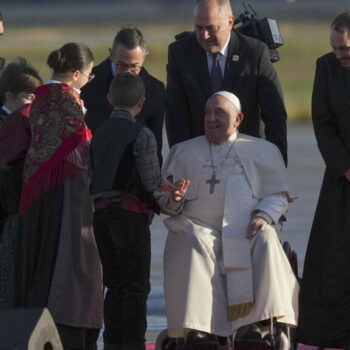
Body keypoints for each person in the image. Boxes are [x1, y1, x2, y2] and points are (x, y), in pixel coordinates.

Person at [157, 91, 299, 346]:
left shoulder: (262, 150)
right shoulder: (183, 151)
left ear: (239, 118)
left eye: (219, 113)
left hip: (247, 229)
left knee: (266, 237)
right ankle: (197, 330)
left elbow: (278, 195)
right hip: (199, 229)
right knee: (189, 237)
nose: (211, 118)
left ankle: (255, 325)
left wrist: (264, 217)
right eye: (208, 113)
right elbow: (165, 203)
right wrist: (175, 198)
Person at [19, 42, 103, 350]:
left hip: (41, 186)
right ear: (77, 74)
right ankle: (67, 324)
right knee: (70, 258)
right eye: (90, 75)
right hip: (67, 189)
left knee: (46, 255)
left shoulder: (41, 96)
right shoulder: (66, 99)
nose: (90, 80)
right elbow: (78, 146)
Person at [165, 0, 288, 165]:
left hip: (245, 158)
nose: (204, 35)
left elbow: (275, 115)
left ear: (230, 22)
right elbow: (175, 115)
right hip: (198, 159)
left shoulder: (254, 53)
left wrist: (276, 164)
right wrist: (183, 161)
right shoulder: (180, 53)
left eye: (211, 28)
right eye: (199, 28)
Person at [90, 72, 162, 350]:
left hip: (100, 216)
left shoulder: (97, 134)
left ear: (109, 99)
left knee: (115, 284)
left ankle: (111, 341)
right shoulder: (142, 134)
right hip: (129, 216)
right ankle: (132, 343)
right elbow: (151, 182)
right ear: (142, 103)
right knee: (136, 286)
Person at [297, 11, 350, 349]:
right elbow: (323, 121)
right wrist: (344, 166)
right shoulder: (326, 67)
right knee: (333, 263)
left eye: (345, 48)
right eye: (335, 48)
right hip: (342, 181)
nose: (339, 54)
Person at [81, 26, 165, 165]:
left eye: (134, 67)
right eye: (121, 65)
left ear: (145, 56)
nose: (127, 72)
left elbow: (155, 146)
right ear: (111, 54)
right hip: (94, 170)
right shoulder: (89, 83)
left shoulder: (155, 90)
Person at [0, 57, 42, 308]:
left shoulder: (21, 124)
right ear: (10, 96)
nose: (33, 105)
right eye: (29, 98)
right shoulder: (11, 126)